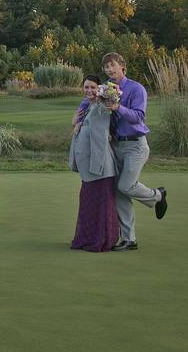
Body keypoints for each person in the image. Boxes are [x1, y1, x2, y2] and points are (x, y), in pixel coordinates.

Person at [75, 52, 168, 251]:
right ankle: (129, 239)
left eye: (112, 65)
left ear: (122, 67)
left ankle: (157, 196)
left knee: (126, 186)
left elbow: (138, 117)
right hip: (115, 146)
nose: (109, 70)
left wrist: (117, 107)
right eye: (106, 67)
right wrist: (79, 119)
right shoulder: (103, 89)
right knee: (119, 193)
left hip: (135, 145)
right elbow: (87, 101)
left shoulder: (136, 89)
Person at [69, 75, 120, 252]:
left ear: (99, 88)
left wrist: (96, 167)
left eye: (93, 87)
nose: (89, 90)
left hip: (99, 167)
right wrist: (78, 122)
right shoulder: (89, 104)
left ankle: (101, 240)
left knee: (101, 205)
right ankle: (87, 238)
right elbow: (81, 121)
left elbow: (100, 137)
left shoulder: (101, 106)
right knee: (88, 202)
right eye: (86, 87)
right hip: (90, 169)